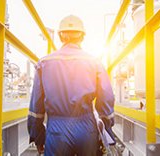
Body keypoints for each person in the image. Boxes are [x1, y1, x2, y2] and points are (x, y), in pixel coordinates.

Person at [27, 15, 115, 156]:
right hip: (86, 128)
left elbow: (35, 108)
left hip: (56, 130)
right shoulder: (94, 62)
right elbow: (106, 98)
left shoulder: (44, 63)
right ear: (82, 36)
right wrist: (105, 128)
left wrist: (38, 136)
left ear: (61, 36)